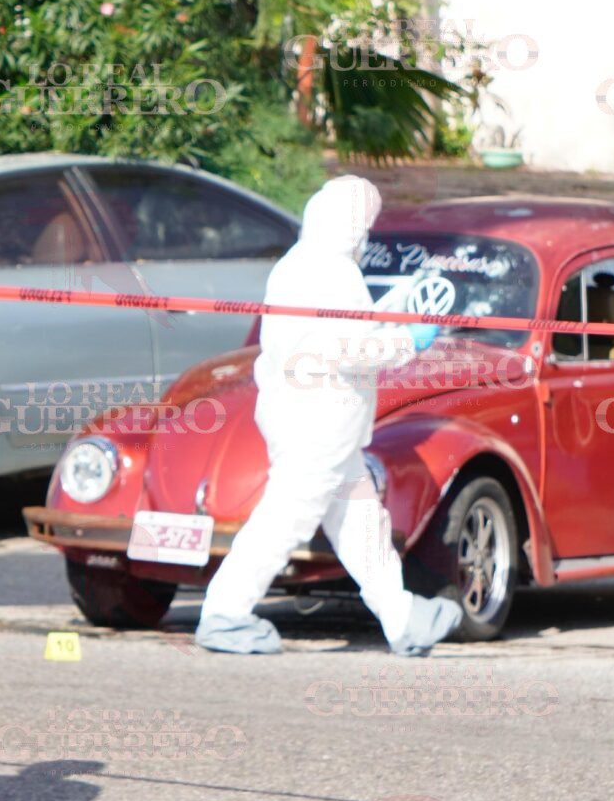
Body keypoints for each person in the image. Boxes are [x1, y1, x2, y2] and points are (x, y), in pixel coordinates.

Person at [193, 176, 464, 657]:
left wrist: (392, 316)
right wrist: (409, 340)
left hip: (307, 416)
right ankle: (225, 613)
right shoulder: (333, 274)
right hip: (319, 420)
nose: (367, 236)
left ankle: (402, 618)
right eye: (365, 225)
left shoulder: (297, 266)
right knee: (288, 517)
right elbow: (350, 349)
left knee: (361, 522)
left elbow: (339, 333)